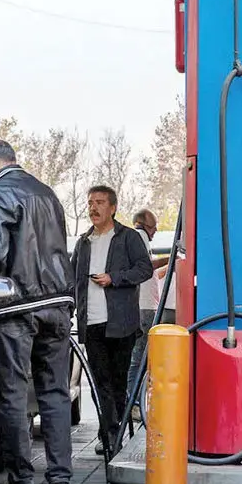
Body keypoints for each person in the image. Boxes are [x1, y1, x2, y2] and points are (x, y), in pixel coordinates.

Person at [0, 138, 76, 484]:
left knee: (12, 393)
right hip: (58, 304)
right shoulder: (48, 194)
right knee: (55, 393)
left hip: (16, 306)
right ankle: (61, 482)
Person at [70, 186, 153, 457]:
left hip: (121, 323)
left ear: (113, 207)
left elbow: (144, 269)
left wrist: (113, 278)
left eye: (100, 203)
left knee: (117, 382)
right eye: (91, 202)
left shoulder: (127, 237)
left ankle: (114, 430)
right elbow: (72, 279)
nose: (94, 208)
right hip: (91, 324)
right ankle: (110, 433)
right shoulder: (83, 242)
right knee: (98, 382)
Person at [125, 208, 167, 419]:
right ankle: (133, 403)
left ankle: (134, 401)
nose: (155, 231)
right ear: (141, 224)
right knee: (140, 358)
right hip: (144, 308)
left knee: (140, 357)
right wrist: (170, 258)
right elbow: (146, 267)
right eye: (153, 226)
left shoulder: (140, 240)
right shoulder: (139, 236)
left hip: (143, 305)